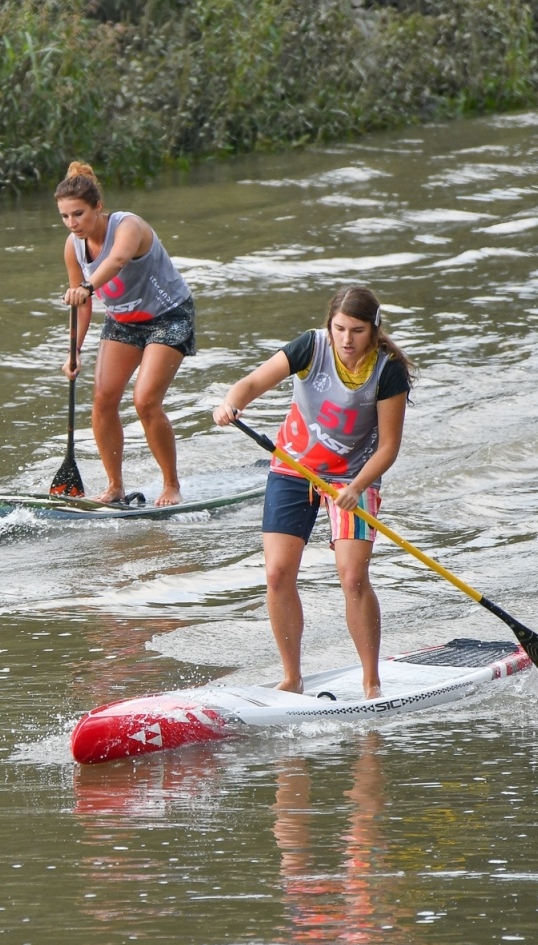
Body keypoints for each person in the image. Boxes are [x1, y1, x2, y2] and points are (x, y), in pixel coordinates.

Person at [212, 286, 413, 699]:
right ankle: (292, 677)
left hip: (354, 476)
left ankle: (372, 682)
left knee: (353, 577)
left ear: (374, 330)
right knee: (277, 573)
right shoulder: (310, 346)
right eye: (339, 328)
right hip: (293, 467)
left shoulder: (388, 370)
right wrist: (231, 403)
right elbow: (251, 383)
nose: (346, 340)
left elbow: (389, 446)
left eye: (357, 331)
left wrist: (356, 488)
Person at [57, 160, 195, 507]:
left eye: (79, 214)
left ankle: (171, 485)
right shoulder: (72, 247)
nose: (73, 224)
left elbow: (116, 261)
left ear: (98, 207)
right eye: (65, 217)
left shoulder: (128, 226)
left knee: (145, 400)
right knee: (103, 401)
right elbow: (83, 305)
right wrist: (74, 352)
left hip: (168, 316)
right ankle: (114, 486)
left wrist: (87, 286)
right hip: (123, 321)